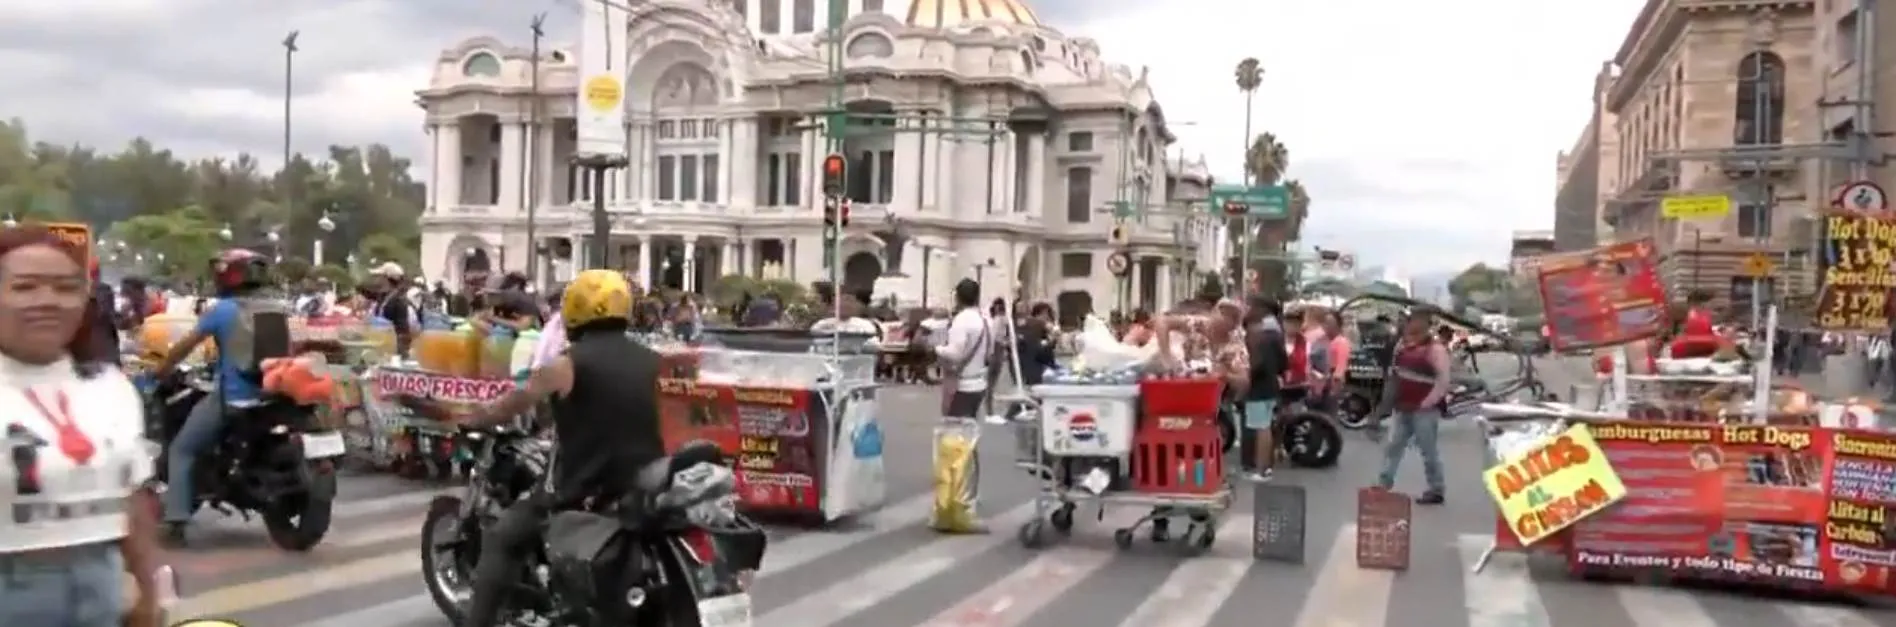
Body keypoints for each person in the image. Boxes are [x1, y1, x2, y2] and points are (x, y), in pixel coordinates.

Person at [458, 270, 667, 627]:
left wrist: (473, 418)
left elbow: (511, 405)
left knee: (502, 537)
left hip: (587, 488)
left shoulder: (565, 365)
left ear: (574, 311)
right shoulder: (655, 361)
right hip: (650, 483)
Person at [0, 226, 166, 626]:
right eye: (24, 287)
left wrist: (148, 588)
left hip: (100, 587)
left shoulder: (111, 386)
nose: (47, 302)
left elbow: (133, 497)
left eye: (65, 288)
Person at [150, 248, 286, 544]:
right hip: (275, 394)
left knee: (181, 450)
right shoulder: (280, 306)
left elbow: (186, 344)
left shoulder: (224, 310)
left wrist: (163, 368)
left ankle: (175, 521)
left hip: (236, 396)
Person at [1372, 307, 1453, 504]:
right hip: (1403, 407)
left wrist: (1427, 403)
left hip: (1424, 410)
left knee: (1428, 450)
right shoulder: (1401, 346)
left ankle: (1436, 488)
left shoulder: (1436, 350)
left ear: (1425, 323)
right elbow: (1394, 376)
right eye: (1408, 320)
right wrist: (1385, 406)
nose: (1408, 324)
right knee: (1393, 447)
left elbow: (1443, 381)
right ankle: (1384, 484)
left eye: (1413, 320)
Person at [1243, 296, 1288, 481]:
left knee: (1261, 428)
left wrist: (1244, 372)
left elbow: (1256, 364)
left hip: (1258, 387)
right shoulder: (1276, 333)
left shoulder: (1259, 335)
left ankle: (1261, 470)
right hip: (1271, 386)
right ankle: (1266, 467)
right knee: (1266, 427)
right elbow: (1284, 362)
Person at [935, 279, 991, 420]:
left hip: (962, 385)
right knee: (969, 428)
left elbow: (955, 353)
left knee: (956, 433)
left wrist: (936, 349)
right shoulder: (985, 320)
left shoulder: (961, 320)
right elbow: (990, 353)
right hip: (979, 383)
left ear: (957, 297)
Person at [367, 263, 418, 356]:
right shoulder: (383, 297)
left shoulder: (399, 301)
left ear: (386, 279)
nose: (376, 279)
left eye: (379, 277)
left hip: (390, 349)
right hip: (378, 345)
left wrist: (401, 353)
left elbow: (403, 330)